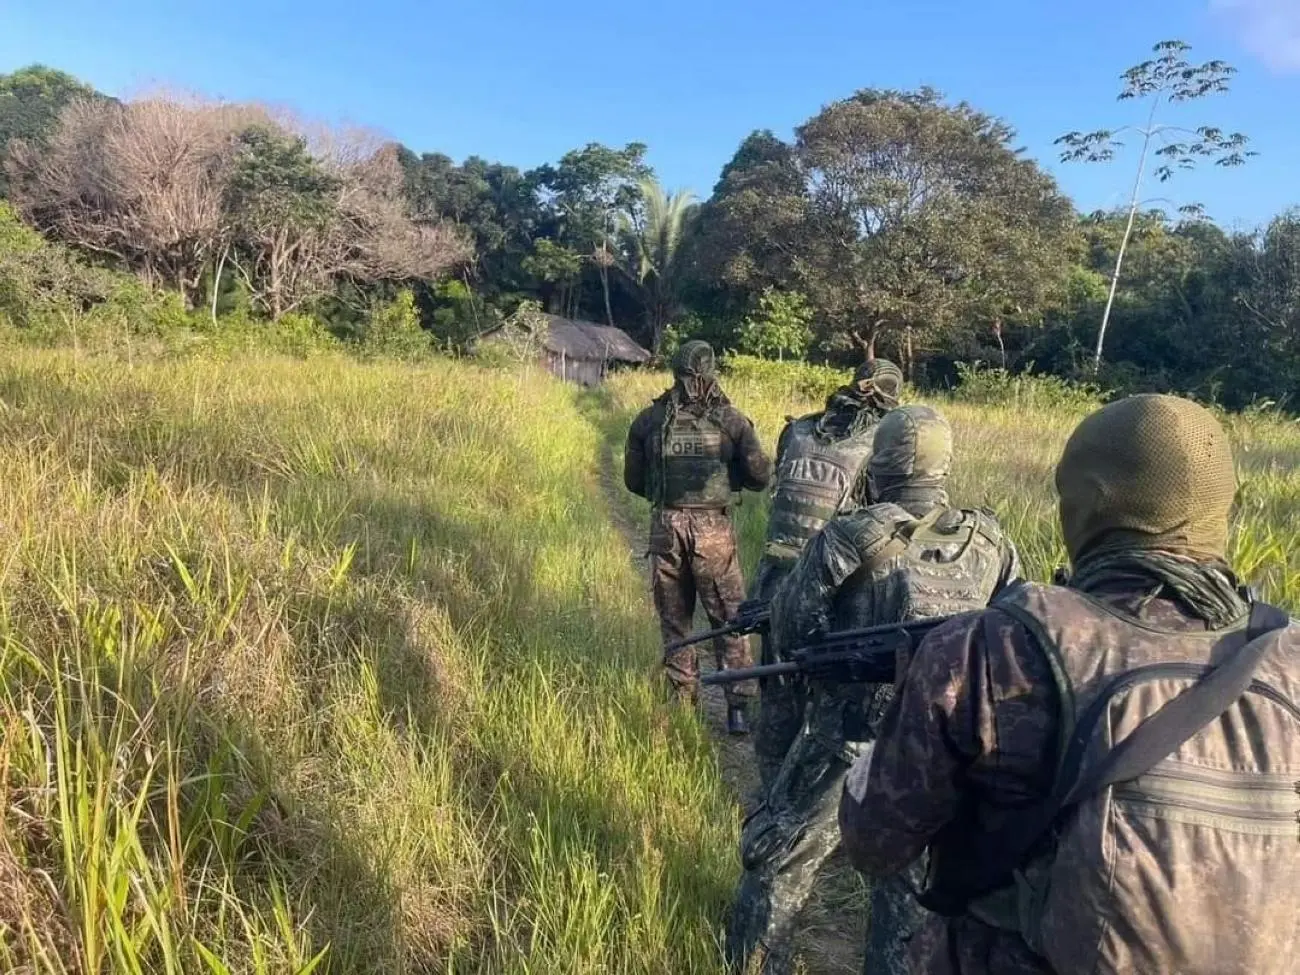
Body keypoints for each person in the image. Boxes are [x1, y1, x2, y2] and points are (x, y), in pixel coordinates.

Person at [839, 393, 1300, 975]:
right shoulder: (1287, 657)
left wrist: (898, 721)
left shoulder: (993, 648)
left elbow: (874, 843)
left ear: (1090, 504)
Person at [726, 404, 1020, 975]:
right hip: (939, 749)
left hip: (847, 735)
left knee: (778, 854)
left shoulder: (852, 534)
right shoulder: (989, 541)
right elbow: (1010, 635)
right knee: (908, 885)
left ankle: (752, 962)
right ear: (943, 465)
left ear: (879, 463)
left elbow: (792, 631)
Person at [751, 359, 904, 788]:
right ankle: (813, 798)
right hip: (833, 583)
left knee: (778, 687)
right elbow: (885, 518)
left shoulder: (798, 430)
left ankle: (768, 792)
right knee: (830, 694)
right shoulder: (881, 443)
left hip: (774, 576)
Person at [624, 340, 773, 732]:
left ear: (675, 372)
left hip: (666, 526)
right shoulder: (732, 421)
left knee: (675, 618)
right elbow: (760, 477)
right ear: (711, 372)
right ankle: (737, 708)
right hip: (713, 530)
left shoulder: (648, 420)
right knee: (728, 616)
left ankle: (683, 701)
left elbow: (634, 482)